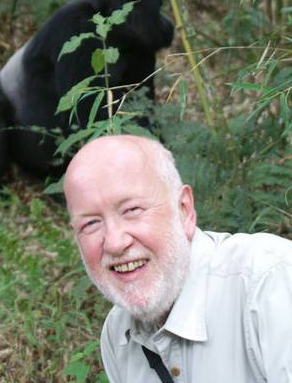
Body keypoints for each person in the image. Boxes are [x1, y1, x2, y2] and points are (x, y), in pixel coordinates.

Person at [64, 134, 292, 383]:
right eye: (91, 223)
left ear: (184, 210)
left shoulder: (269, 281)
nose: (116, 242)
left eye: (132, 210)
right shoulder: (118, 334)